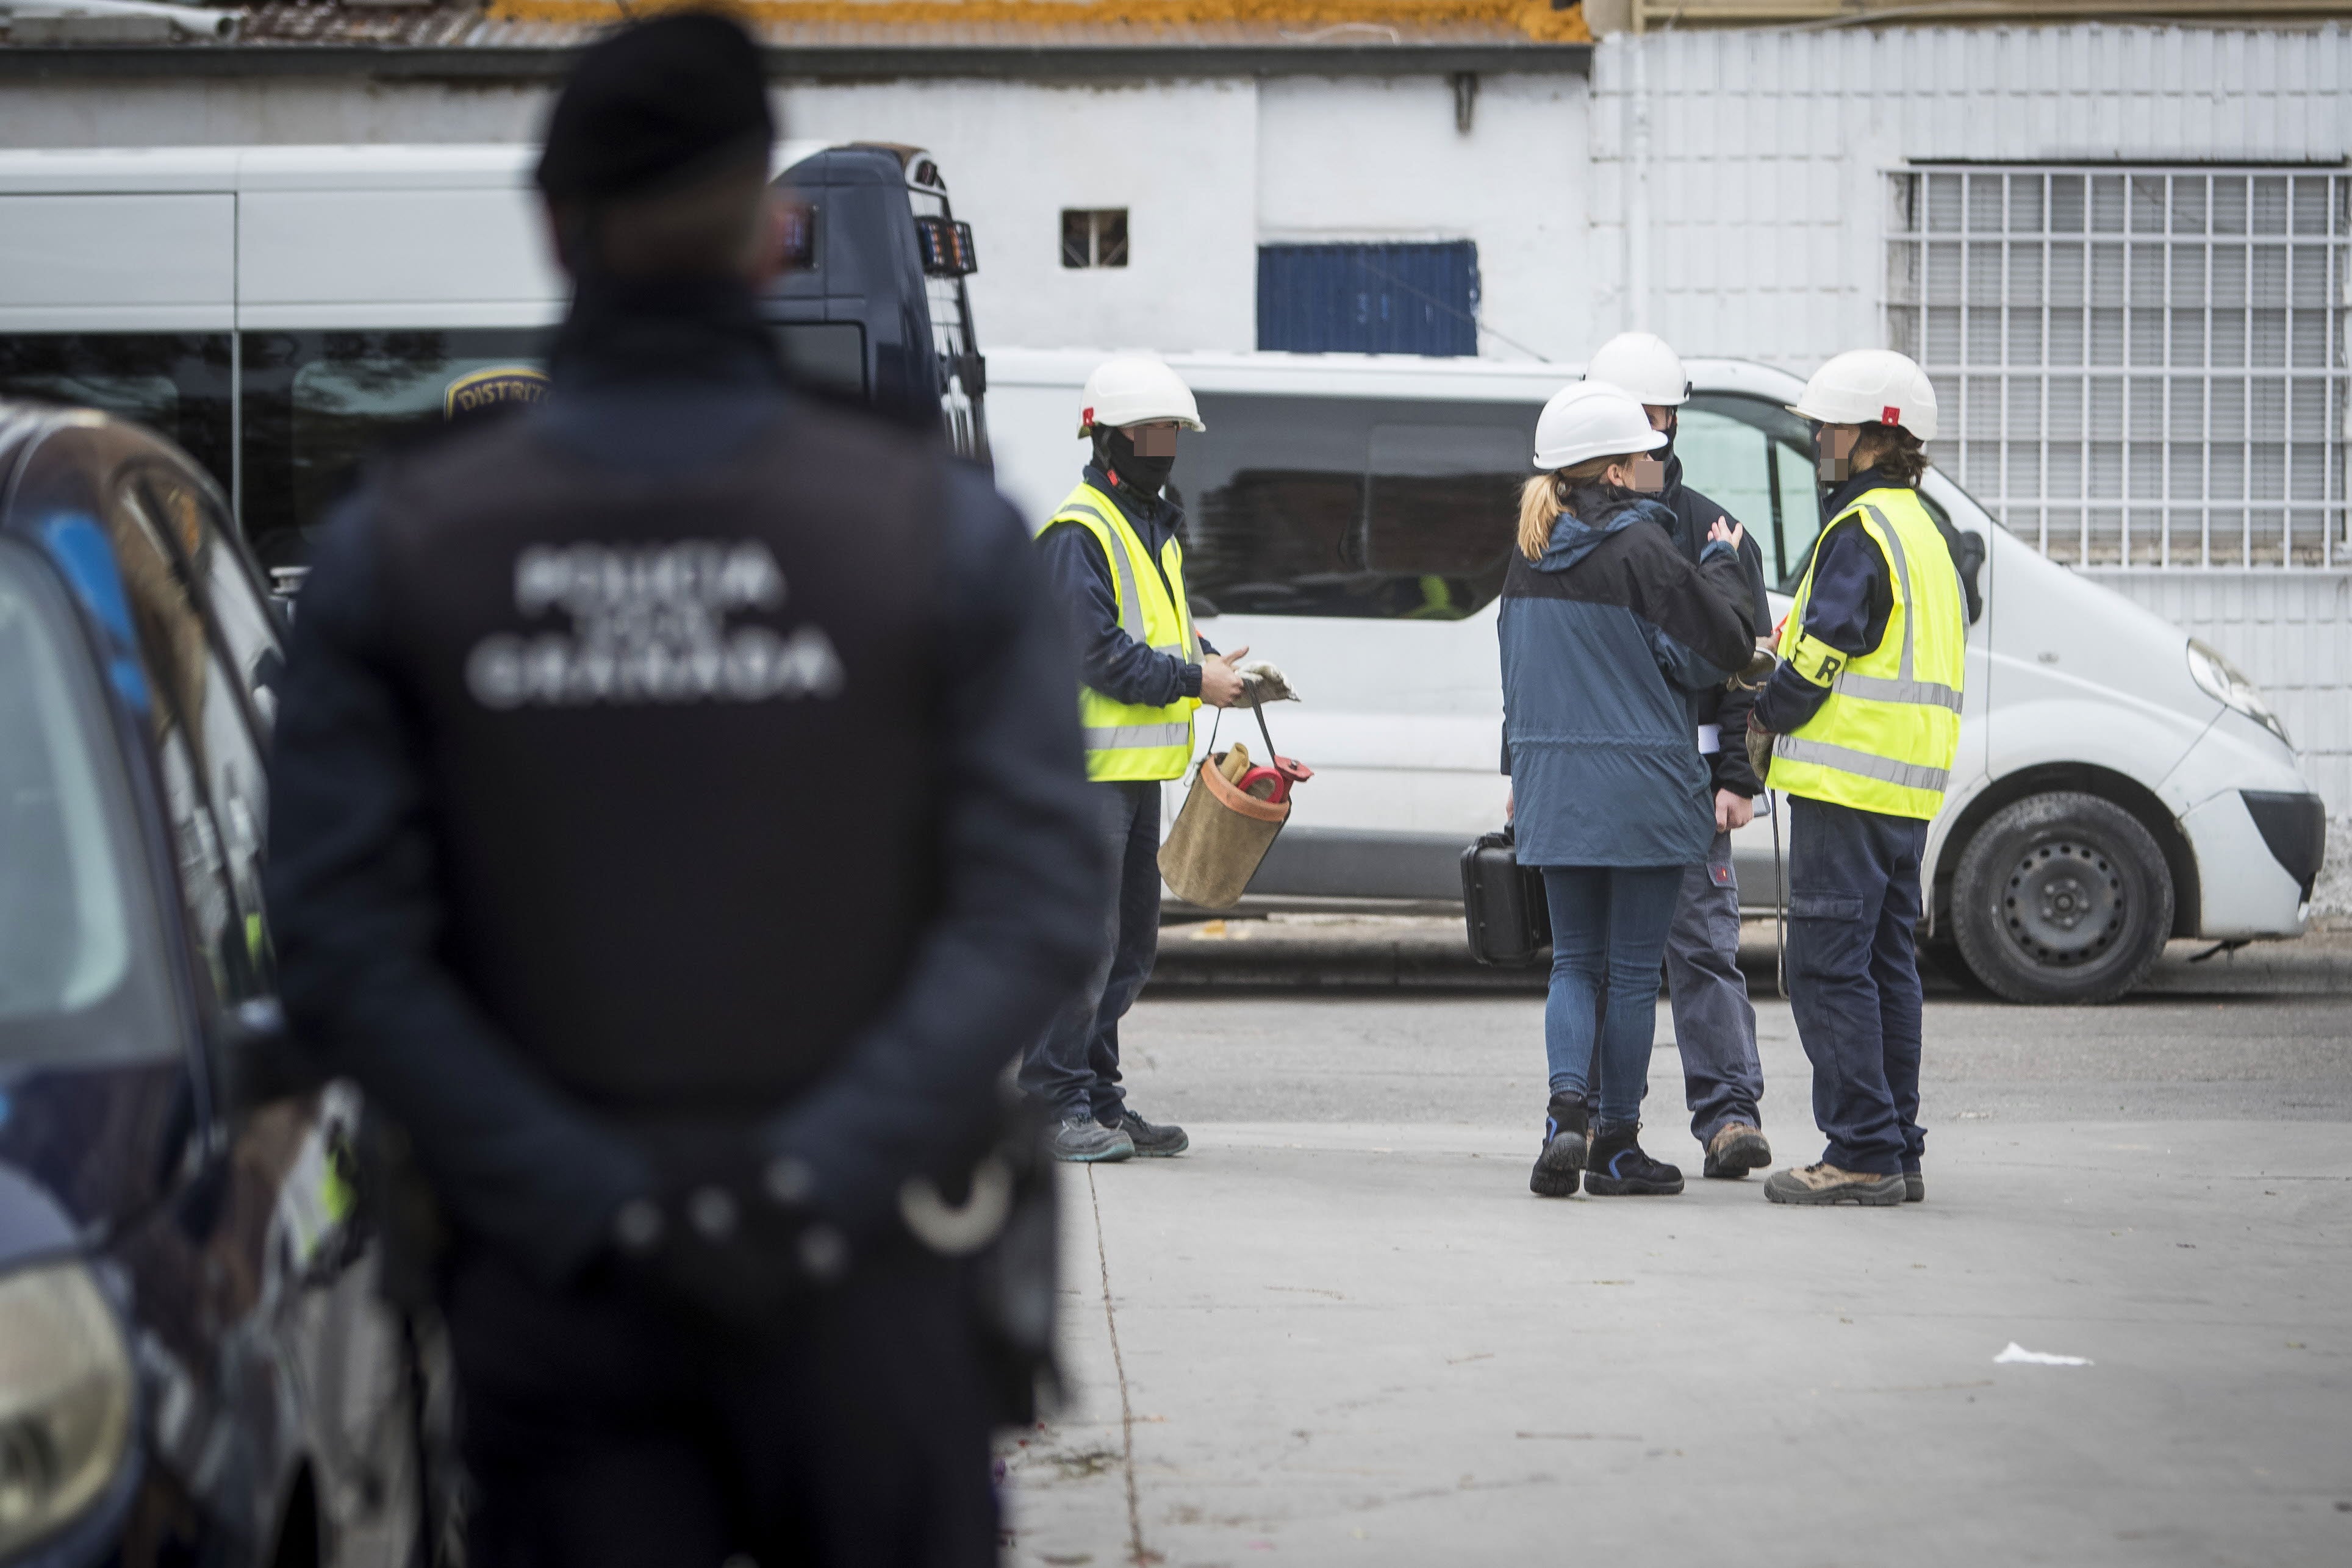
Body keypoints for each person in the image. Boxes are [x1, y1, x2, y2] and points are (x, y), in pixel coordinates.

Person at [265, 15, 1107, 1564]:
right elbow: (1033, 902)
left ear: (551, 227)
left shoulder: (408, 545)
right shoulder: (930, 528)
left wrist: (595, 1206)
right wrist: (809, 1179)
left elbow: (337, 944)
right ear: (769, 230)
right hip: (869, 1283)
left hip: (555, 1300)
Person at [1504, 382, 1758, 1199]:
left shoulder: (1528, 550)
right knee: (1631, 970)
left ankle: (1562, 1119)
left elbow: (1519, 678)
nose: (1659, 463)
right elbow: (1717, 651)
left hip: (1554, 787)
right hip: (1646, 790)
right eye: (1645, 454)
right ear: (1614, 473)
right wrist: (1718, 566)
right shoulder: (1648, 553)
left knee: (1574, 963)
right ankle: (1615, 1145)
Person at [1749, 348, 1967, 1208]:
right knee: (1884, 971)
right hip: (1903, 793)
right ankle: (1897, 1146)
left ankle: (1863, 1153)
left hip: (1844, 789)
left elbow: (1819, 656)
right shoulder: (1928, 530)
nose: (1817, 443)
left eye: (1827, 429)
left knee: (1826, 969)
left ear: (1877, 436)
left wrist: (1766, 709)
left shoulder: (1860, 529)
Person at [1022, 354, 1253, 1161]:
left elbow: (1160, 629)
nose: (1165, 447)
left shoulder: (1153, 527)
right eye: (1151, 433)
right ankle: (1051, 1107)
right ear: (1107, 438)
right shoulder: (1079, 532)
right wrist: (1198, 680)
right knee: (1083, 946)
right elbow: (1098, 655)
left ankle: (1096, 1100)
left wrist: (1216, 662)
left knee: (1128, 946)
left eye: (1173, 434)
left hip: (1132, 774)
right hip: (1086, 774)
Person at [1582, 331, 1775, 1181]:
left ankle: (1729, 1117)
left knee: (1700, 950)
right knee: (1591, 960)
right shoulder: (1568, 533)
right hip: (1600, 778)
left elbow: (1745, 659)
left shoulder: (1713, 532)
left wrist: (1737, 772)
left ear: (1665, 421)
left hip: (1694, 781)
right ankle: (1588, 1120)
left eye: (1651, 417)